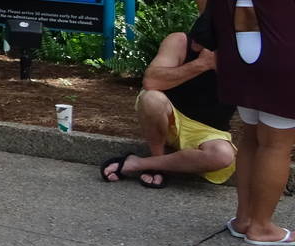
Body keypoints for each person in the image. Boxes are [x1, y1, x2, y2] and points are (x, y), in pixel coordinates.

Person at [199, 0, 295, 245]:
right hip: (283, 64)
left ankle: (243, 219)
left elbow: (203, 3)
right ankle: (263, 227)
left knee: (252, 138)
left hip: (237, 61)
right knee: (278, 144)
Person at [98, 30, 234, 189]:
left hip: (208, 131)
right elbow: (150, 81)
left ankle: (139, 163)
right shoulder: (179, 41)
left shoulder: (247, 55)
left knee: (222, 155)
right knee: (151, 99)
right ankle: (157, 160)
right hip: (170, 117)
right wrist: (202, 64)